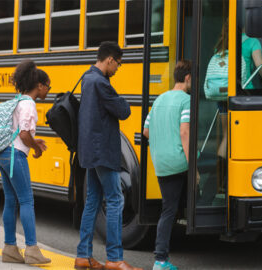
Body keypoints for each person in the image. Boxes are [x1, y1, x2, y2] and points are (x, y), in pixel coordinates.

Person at [75, 41, 139, 270]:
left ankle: (83, 255)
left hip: (90, 151)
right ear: (109, 59)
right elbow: (123, 110)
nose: (117, 69)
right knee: (115, 200)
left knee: (92, 201)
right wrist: (122, 100)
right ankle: (114, 258)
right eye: (118, 65)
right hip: (103, 151)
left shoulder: (87, 79)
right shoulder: (101, 83)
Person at [0, 59, 51, 265]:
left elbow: (20, 132)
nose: (48, 91)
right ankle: (32, 249)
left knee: (11, 200)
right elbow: (25, 134)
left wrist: (35, 142)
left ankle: (10, 248)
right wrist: (35, 148)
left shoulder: (17, 100)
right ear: (40, 86)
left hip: (3, 154)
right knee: (27, 201)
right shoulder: (29, 104)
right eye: (48, 87)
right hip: (15, 156)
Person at [143, 60, 192, 270]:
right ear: (188, 78)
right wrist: (194, 166)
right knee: (169, 210)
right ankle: (160, 260)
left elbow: (146, 131)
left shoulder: (160, 99)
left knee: (169, 207)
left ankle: (162, 258)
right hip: (178, 162)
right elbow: (184, 132)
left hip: (160, 161)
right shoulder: (186, 100)